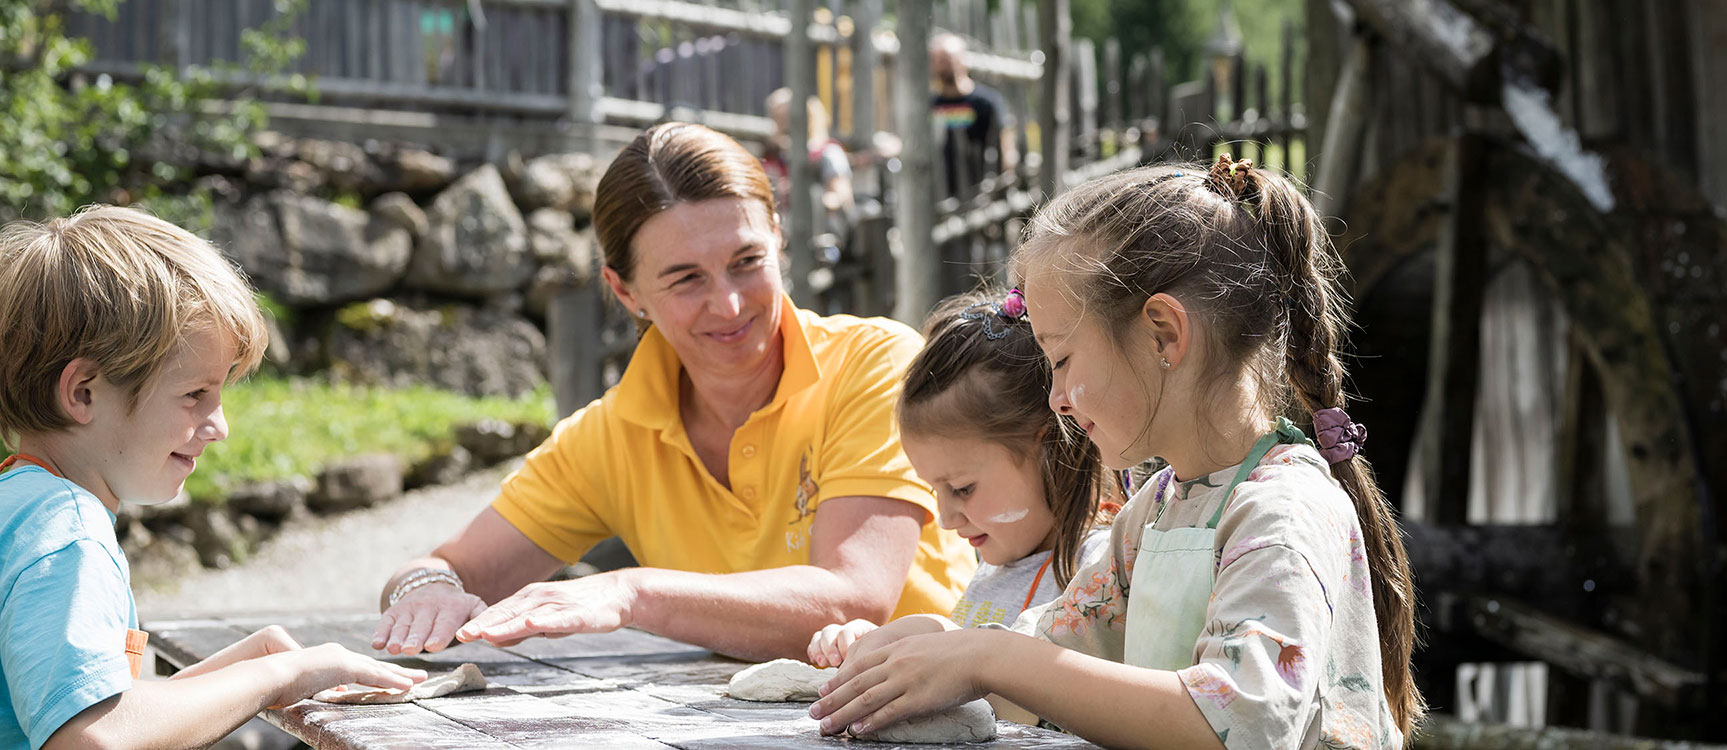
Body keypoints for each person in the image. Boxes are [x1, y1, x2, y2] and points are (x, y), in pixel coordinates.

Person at [806, 156, 1423, 749]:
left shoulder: (1282, 512)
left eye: (1063, 359)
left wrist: (988, 657)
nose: (1055, 399)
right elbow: (1056, 661)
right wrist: (940, 644)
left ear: (1164, 333)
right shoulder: (1156, 508)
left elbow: (1240, 721)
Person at [371, 123, 977, 662]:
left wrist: (630, 591)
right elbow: (446, 566)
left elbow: (854, 598)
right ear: (625, 290)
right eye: (686, 278)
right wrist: (426, 593)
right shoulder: (609, 436)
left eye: (747, 260)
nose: (729, 304)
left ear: (778, 237)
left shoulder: (876, 362)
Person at [0, 206, 425, 750]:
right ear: (83, 391)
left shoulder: (22, 506)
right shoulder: (68, 532)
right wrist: (280, 677)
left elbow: (93, 715)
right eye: (194, 395)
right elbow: (95, 738)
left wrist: (236, 676)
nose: (219, 426)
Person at [805, 290, 1114, 668]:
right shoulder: (992, 569)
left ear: (1049, 446)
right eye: (934, 489)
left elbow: (1057, 686)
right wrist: (877, 646)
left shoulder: (1102, 567)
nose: (946, 518)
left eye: (962, 488)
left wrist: (936, 636)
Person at [930, 33, 1016, 197]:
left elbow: (1005, 146)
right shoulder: (930, 105)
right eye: (937, 60)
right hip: (940, 192)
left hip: (979, 192)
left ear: (961, 59)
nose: (942, 66)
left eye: (947, 59)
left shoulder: (986, 101)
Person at [763, 87, 855, 221]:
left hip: (819, 229)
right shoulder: (774, 155)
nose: (783, 126)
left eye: (787, 119)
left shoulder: (828, 153)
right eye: (778, 119)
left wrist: (806, 197)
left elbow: (842, 197)